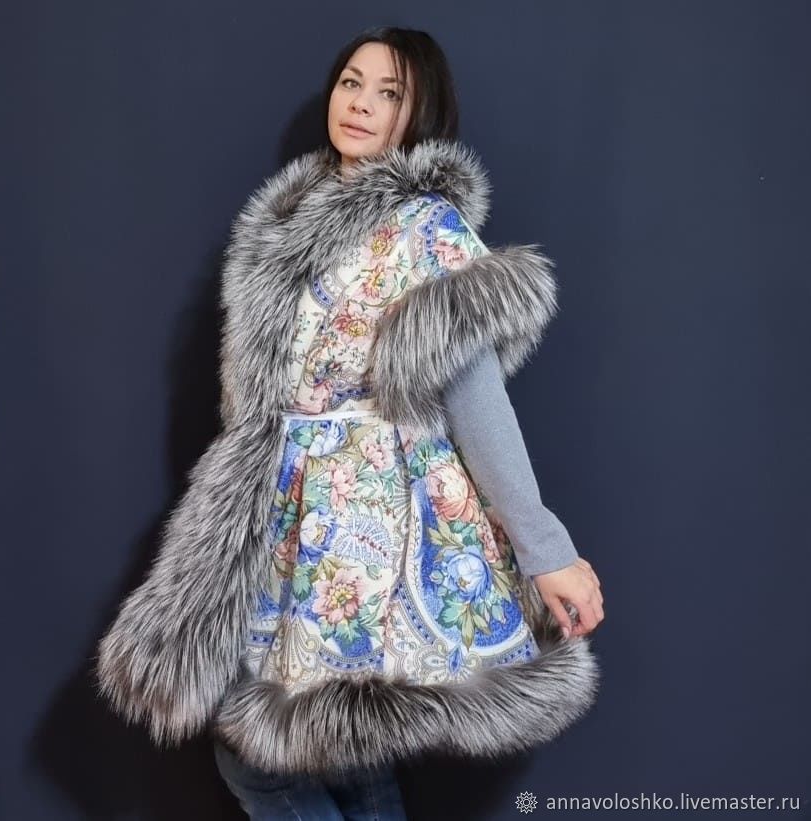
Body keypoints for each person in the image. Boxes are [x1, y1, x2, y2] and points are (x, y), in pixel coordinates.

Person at [95, 25, 605, 821]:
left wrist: (546, 550)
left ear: (418, 113)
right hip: (286, 517)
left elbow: (476, 400)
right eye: (350, 83)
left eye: (388, 92)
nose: (361, 104)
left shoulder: (424, 229)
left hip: (367, 522)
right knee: (336, 752)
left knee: (272, 755)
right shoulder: (289, 221)